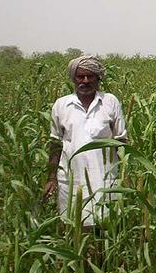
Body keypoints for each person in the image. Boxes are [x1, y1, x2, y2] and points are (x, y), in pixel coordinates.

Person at [42, 55, 127, 226]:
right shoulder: (61, 105)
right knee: (73, 224)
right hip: (71, 179)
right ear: (73, 78)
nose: (85, 81)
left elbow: (121, 141)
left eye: (90, 76)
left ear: (98, 78)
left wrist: (125, 174)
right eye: (80, 76)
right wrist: (52, 178)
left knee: (106, 226)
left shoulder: (110, 102)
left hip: (106, 178)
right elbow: (55, 143)